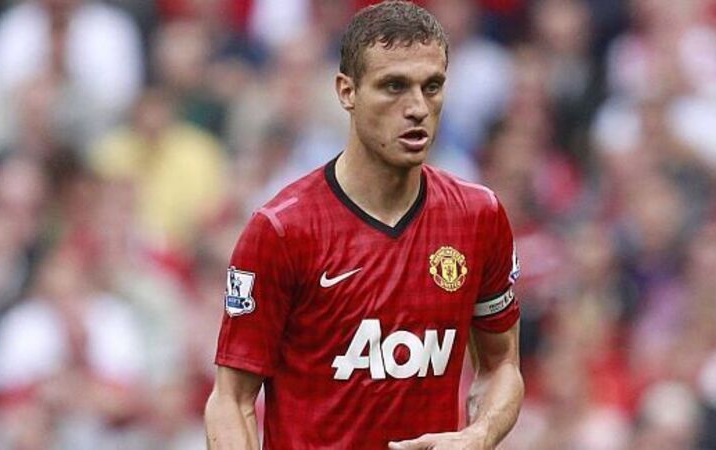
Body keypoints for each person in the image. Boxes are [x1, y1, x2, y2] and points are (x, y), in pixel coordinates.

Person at [205, 2, 524, 449]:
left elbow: (502, 365)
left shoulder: (478, 217)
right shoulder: (282, 230)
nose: (418, 107)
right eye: (394, 86)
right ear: (347, 91)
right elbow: (231, 400)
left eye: (432, 86)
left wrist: (479, 435)